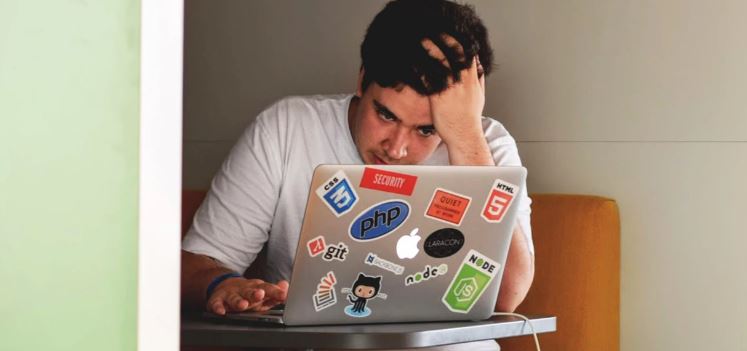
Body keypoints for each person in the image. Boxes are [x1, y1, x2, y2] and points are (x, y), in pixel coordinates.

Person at [179, 1, 534, 346]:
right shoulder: (287, 129)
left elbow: (507, 297)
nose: (396, 148)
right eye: (386, 115)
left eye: (426, 130)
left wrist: (466, 137)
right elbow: (194, 265)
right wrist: (219, 284)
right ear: (363, 80)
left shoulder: (486, 146)